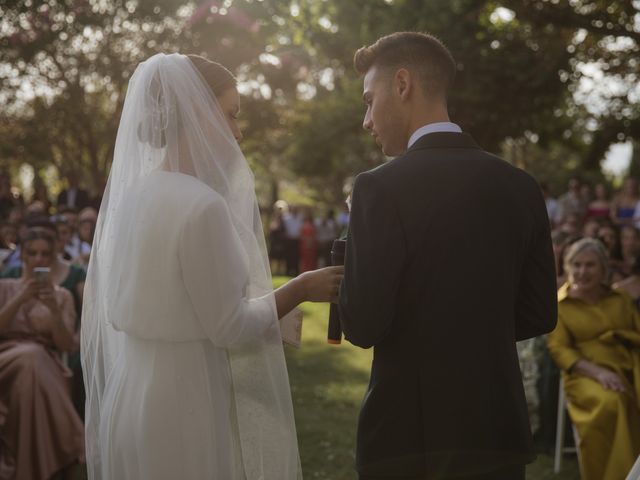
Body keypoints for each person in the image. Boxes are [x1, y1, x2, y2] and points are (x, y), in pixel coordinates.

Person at [81, 53, 343, 480]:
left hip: (130, 392)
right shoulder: (202, 205)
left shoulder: (132, 197)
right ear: (197, 114)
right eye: (231, 115)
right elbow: (230, 327)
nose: (238, 133)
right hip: (184, 399)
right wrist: (299, 288)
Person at [338, 32, 557, 480]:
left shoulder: (379, 187)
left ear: (402, 84)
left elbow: (361, 325)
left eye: (368, 98)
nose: (366, 119)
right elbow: (539, 313)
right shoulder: (521, 186)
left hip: (408, 438)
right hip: (497, 433)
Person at [547, 238, 640, 480]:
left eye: (590, 265)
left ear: (603, 269)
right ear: (567, 268)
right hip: (585, 373)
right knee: (613, 401)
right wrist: (599, 373)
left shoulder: (619, 299)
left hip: (630, 364)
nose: (582, 272)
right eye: (576, 265)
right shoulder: (559, 305)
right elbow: (560, 350)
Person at [0, 228, 84, 480]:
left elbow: (67, 345)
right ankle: (67, 449)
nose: (38, 259)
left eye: (45, 254)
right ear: (23, 256)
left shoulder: (62, 296)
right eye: (32, 253)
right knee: (30, 359)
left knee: (34, 361)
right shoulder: (4, 287)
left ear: (52, 257)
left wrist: (54, 310)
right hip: (6, 356)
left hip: (46, 360)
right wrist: (20, 297)